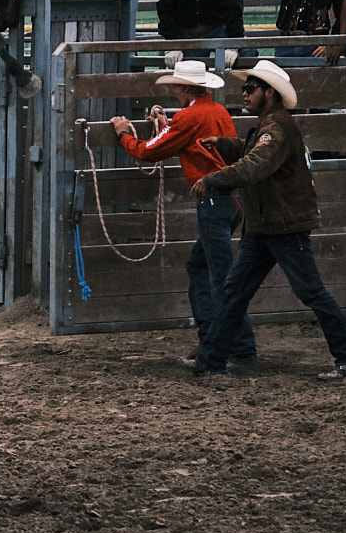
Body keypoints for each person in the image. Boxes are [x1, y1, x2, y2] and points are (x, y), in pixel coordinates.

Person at [190, 61, 346, 380]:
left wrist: (214, 178)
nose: (244, 94)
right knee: (236, 291)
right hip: (268, 225)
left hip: (281, 225)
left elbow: (256, 164)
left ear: (269, 93)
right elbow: (254, 154)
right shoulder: (272, 124)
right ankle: (212, 358)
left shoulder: (274, 128)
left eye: (251, 89)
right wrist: (225, 145)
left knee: (307, 291)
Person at [108, 59, 253, 362]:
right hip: (233, 199)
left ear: (186, 88)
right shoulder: (217, 111)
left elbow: (149, 151)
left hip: (214, 199)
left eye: (175, 85)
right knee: (205, 269)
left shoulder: (188, 118)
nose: (173, 89)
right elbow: (181, 136)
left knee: (218, 276)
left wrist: (124, 134)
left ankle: (235, 348)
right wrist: (168, 124)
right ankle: (217, 341)